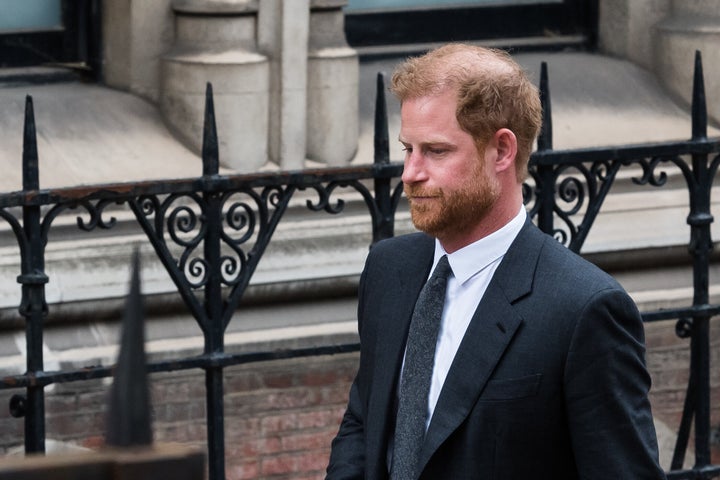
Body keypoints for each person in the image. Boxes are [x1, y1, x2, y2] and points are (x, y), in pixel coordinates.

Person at [325, 44, 666, 479]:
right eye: (408, 148)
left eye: (436, 150)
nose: (410, 173)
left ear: (502, 151)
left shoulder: (584, 309)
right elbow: (364, 424)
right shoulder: (388, 269)